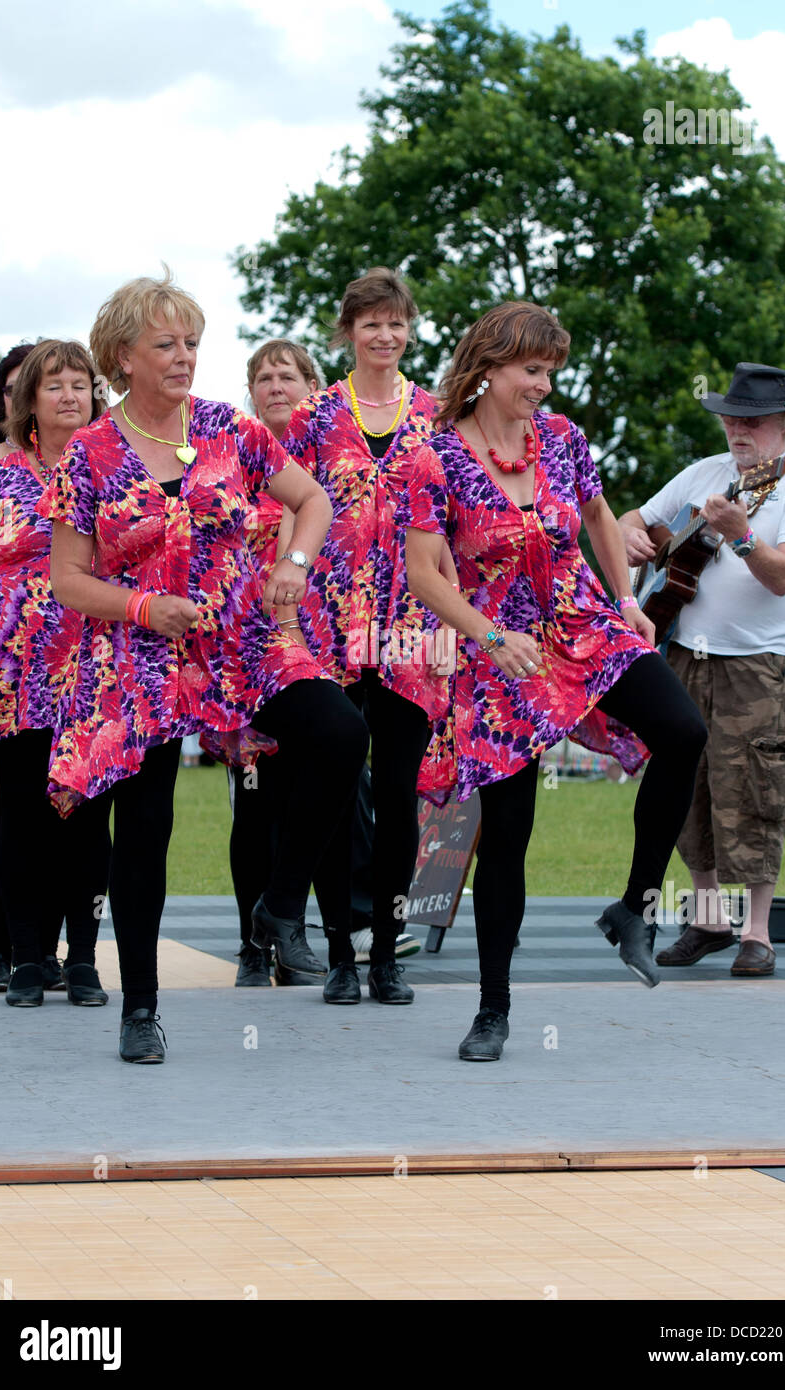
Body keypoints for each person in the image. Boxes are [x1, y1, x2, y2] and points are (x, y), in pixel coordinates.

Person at [42, 271, 368, 1063]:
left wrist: (293, 560)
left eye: (191, 342)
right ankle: (141, 1010)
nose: (184, 356)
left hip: (240, 639)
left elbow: (316, 500)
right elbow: (67, 578)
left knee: (338, 729)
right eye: (166, 344)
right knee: (146, 827)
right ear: (124, 356)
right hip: (138, 651)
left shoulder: (232, 429)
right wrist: (147, 609)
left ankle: (279, 906)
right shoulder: (88, 453)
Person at [405, 301, 708, 1060]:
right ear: (489, 367)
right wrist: (485, 635)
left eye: (549, 372)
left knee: (683, 732)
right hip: (503, 652)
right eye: (531, 371)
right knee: (506, 839)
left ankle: (634, 909)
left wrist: (624, 602)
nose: (543, 385)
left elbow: (600, 517)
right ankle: (492, 1009)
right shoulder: (436, 457)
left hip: (584, 626)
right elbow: (420, 573)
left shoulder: (563, 439)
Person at [619, 362, 785, 977]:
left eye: (754, 421)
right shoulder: (704, 472)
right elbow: (633, 520)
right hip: (687, 651)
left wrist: (741, 537)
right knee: (690, 791)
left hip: (761, 663)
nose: (739, 430)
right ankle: (710, 918)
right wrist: (634, 538)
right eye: (732, 418)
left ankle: (757, 934)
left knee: (758, 791)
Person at [281, 268, 453, 1006]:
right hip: (329, 625)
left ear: (410, 330)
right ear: (347, 331)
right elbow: (285, 512)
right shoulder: (314, 416)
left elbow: (456, 520)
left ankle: (385, 953)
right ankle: (337, 955)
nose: (385, 336)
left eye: (397, 323)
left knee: (398, 798)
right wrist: (282, 606)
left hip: (414, 628)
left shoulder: (438, 415)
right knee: (330, 790)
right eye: (370, 323)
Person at [232, 338, 420, 986]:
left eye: (287, 375)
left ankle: (327, 934)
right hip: (258, 646)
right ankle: (258, 944)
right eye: (263, 376)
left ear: (312, 388)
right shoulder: (235, 461)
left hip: (341, 638)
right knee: (258, 801)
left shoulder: (336, 461)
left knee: (346, 788)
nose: (275, 386)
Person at [0, 340, 112, 1007]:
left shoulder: (116, 471)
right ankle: (27, 957)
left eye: (79, 384)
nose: (67, 396)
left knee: (85, 813)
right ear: (28, 400)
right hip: (13, 663)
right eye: (53, 385)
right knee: (22, 812)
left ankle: (82, 958)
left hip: (95, 665)